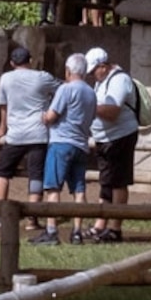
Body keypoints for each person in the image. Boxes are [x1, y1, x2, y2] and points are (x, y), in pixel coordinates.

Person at [0, 43, 54, 228]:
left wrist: (2, 130)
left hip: (15, 134)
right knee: (36, 175)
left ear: (11, 63)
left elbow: (3, 105)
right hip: (38, 133)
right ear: (30, 61)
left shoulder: (5, 79)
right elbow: (62, 88)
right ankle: (33, 218)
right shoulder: (42, 77)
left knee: (2, 172)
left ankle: (0, 211)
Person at [38, 52, 98, 242]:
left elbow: (52, 116)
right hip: (81, 144)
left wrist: (44, 116)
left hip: (61, 142)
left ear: (68, 70)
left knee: (53, 188)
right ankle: (77, 232)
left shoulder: (66, 89)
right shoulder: (91, 93)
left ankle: (51, 231)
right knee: (79, 190)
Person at [86, 45, 142, 241]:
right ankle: (101, 224)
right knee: (106, 181)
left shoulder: (119, 80)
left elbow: (111, 112)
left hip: (120, 136)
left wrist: (89, 105)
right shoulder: (101, 82)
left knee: (118, 182)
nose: (93, 75)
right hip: (104, 138)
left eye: (94, 70)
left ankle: (115, 228)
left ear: (103, 65)